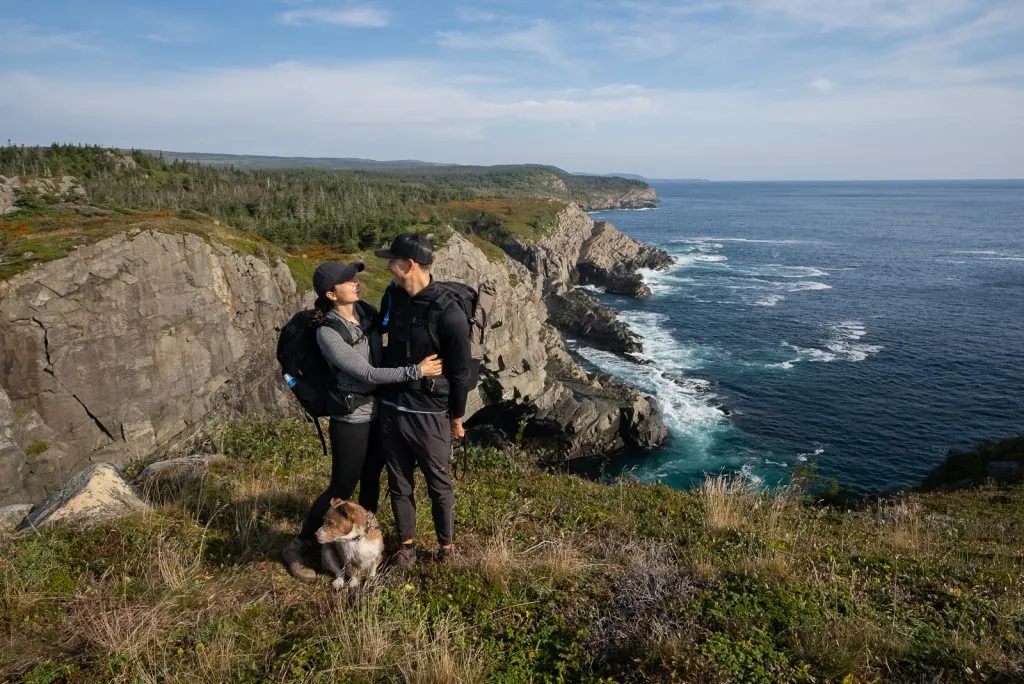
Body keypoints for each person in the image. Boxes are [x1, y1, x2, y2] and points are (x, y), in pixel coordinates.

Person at [282, 260, 444, 583]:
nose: (355, 282)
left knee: (372, 481)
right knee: (342, 487)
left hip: (378, 412)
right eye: (346, 280)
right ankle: (299, 546)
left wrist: (403, 289)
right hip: (351, 417)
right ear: (331, 293)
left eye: (354, 277)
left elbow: (387, 324)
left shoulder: (365, 312)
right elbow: (367, 373)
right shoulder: (328, 333)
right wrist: (417, 371)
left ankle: (360, 547)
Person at [374, 233, 474, 566]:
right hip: (391, 408)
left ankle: (446, 548)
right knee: (398, 481)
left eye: (393, 260)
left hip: (429, 412)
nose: (388, 266)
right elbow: (379, 330)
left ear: (410, 264)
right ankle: (407, 546)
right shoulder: (393, 296)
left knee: (438, 483)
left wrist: (455, 417)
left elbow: (460, 373)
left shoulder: (450, 313)